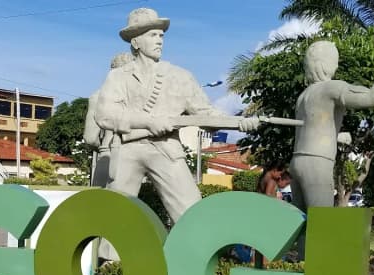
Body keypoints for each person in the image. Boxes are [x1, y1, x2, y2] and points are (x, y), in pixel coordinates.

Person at [95, 8, 259, 223]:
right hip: (127, 150)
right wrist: (148, 121)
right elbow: (106, 114)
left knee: (191, 212)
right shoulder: (118, 77)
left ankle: (195, 253)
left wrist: (238, 123)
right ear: (136, 42)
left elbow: (205, 113)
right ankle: (110, 257)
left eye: (161, 35)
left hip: (166, 148)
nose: (159, 40)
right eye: (152, 35)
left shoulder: (179, 77)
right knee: (116, 213)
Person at [290, 27, 374, 212]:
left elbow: (314, 128)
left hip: (297, 162)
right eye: (335, 62)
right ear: (325, 64)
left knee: (300, 226)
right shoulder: (331, 88)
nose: (337, 67)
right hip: (318, 164)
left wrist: (336, 136)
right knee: (322, 224)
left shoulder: (304, 96)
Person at [85, 52, 133, 188]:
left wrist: (99, 145)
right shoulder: (139, 98)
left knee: (98, 203)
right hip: (136, 155)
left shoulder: (97, 96)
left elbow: (89, 138)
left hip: (107, 154)